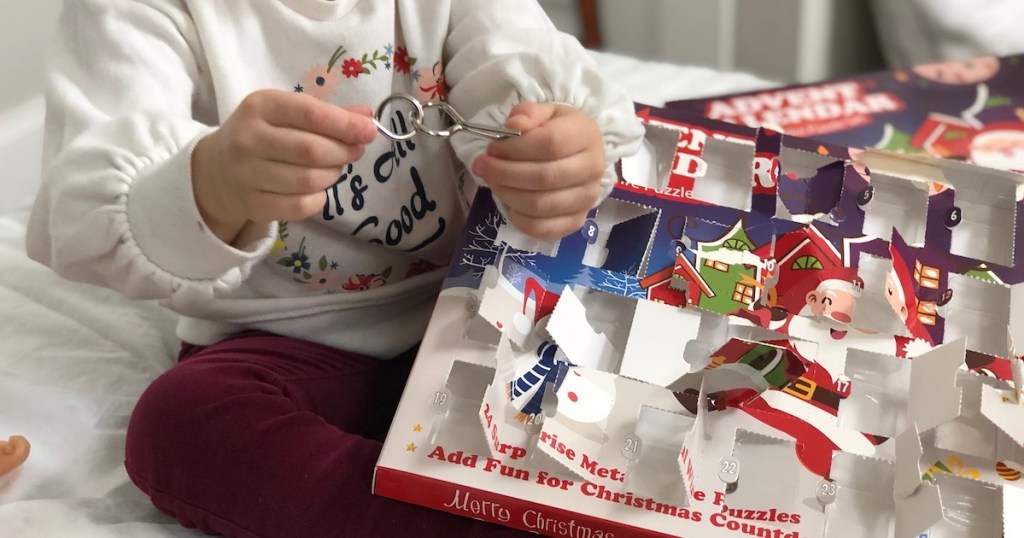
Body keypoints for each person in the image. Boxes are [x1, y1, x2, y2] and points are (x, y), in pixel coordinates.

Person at [26, 1, 644, 536]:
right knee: (183, 421)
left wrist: (557, 159)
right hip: (285, 338)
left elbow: (529, 88)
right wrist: (209, 184)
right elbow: (86, 215)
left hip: (475, 304)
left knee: (620, 343)